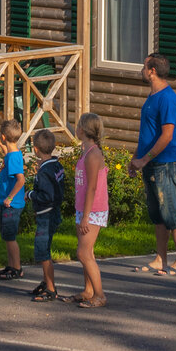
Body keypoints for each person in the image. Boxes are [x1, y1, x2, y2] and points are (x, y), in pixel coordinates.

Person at [128, 53, 176, 276]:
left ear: (152, 70)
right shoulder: (151, 96)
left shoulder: (167, 98)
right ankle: (161, 258)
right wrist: (136, 159)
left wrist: (145, 159)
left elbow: (167, 135)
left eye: (145, 66)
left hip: (165, 163)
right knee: (157, 213)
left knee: (171, 211)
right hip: (149, 162)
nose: (142, 70)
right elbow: (147, 134)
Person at [60, 112, 108, 308]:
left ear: (82, 130)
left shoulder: (93, 154)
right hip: (84, 209)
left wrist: (86, 217)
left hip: (93, 210)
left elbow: (92, 188)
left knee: (83, 253)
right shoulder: (86, 151)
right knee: (87, 252)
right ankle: (88, 290)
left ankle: (100, 295)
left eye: (78, 125)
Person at [28, 128, 64, 302]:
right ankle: (46, 281)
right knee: (44, 248)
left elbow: (46, 195)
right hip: (54, 212)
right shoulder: (56, 165)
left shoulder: (44, 172)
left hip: (46, 214)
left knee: (42, 250)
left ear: (36, 149)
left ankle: (51, 288)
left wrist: (31, 195)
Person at [0, 119, 26, 280]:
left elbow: (21, 179)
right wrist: (2, 147)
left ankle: (17, 268)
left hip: (11, 205)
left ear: (4, 136)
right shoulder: (13, 153)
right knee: (7, 236)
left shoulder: (13, 158)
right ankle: (12, 265)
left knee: (10, 238)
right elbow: (8, 157)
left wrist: (10, 197)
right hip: (9, 203)